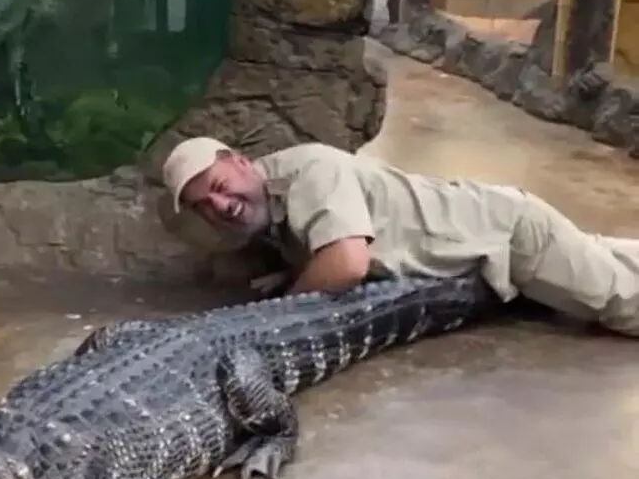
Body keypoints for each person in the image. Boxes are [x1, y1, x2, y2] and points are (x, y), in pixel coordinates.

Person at [160, 136, 639, 337]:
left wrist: (283, 304)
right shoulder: (273, 205)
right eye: (205, 205)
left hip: (511, 237)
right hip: (493, 223)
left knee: (623, 304)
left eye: (219, 187)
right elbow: (321, 242)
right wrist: (291, 272)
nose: (220, 206)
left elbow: (347, 263)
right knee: (597, 254)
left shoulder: (310, 171)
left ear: (241, 161)